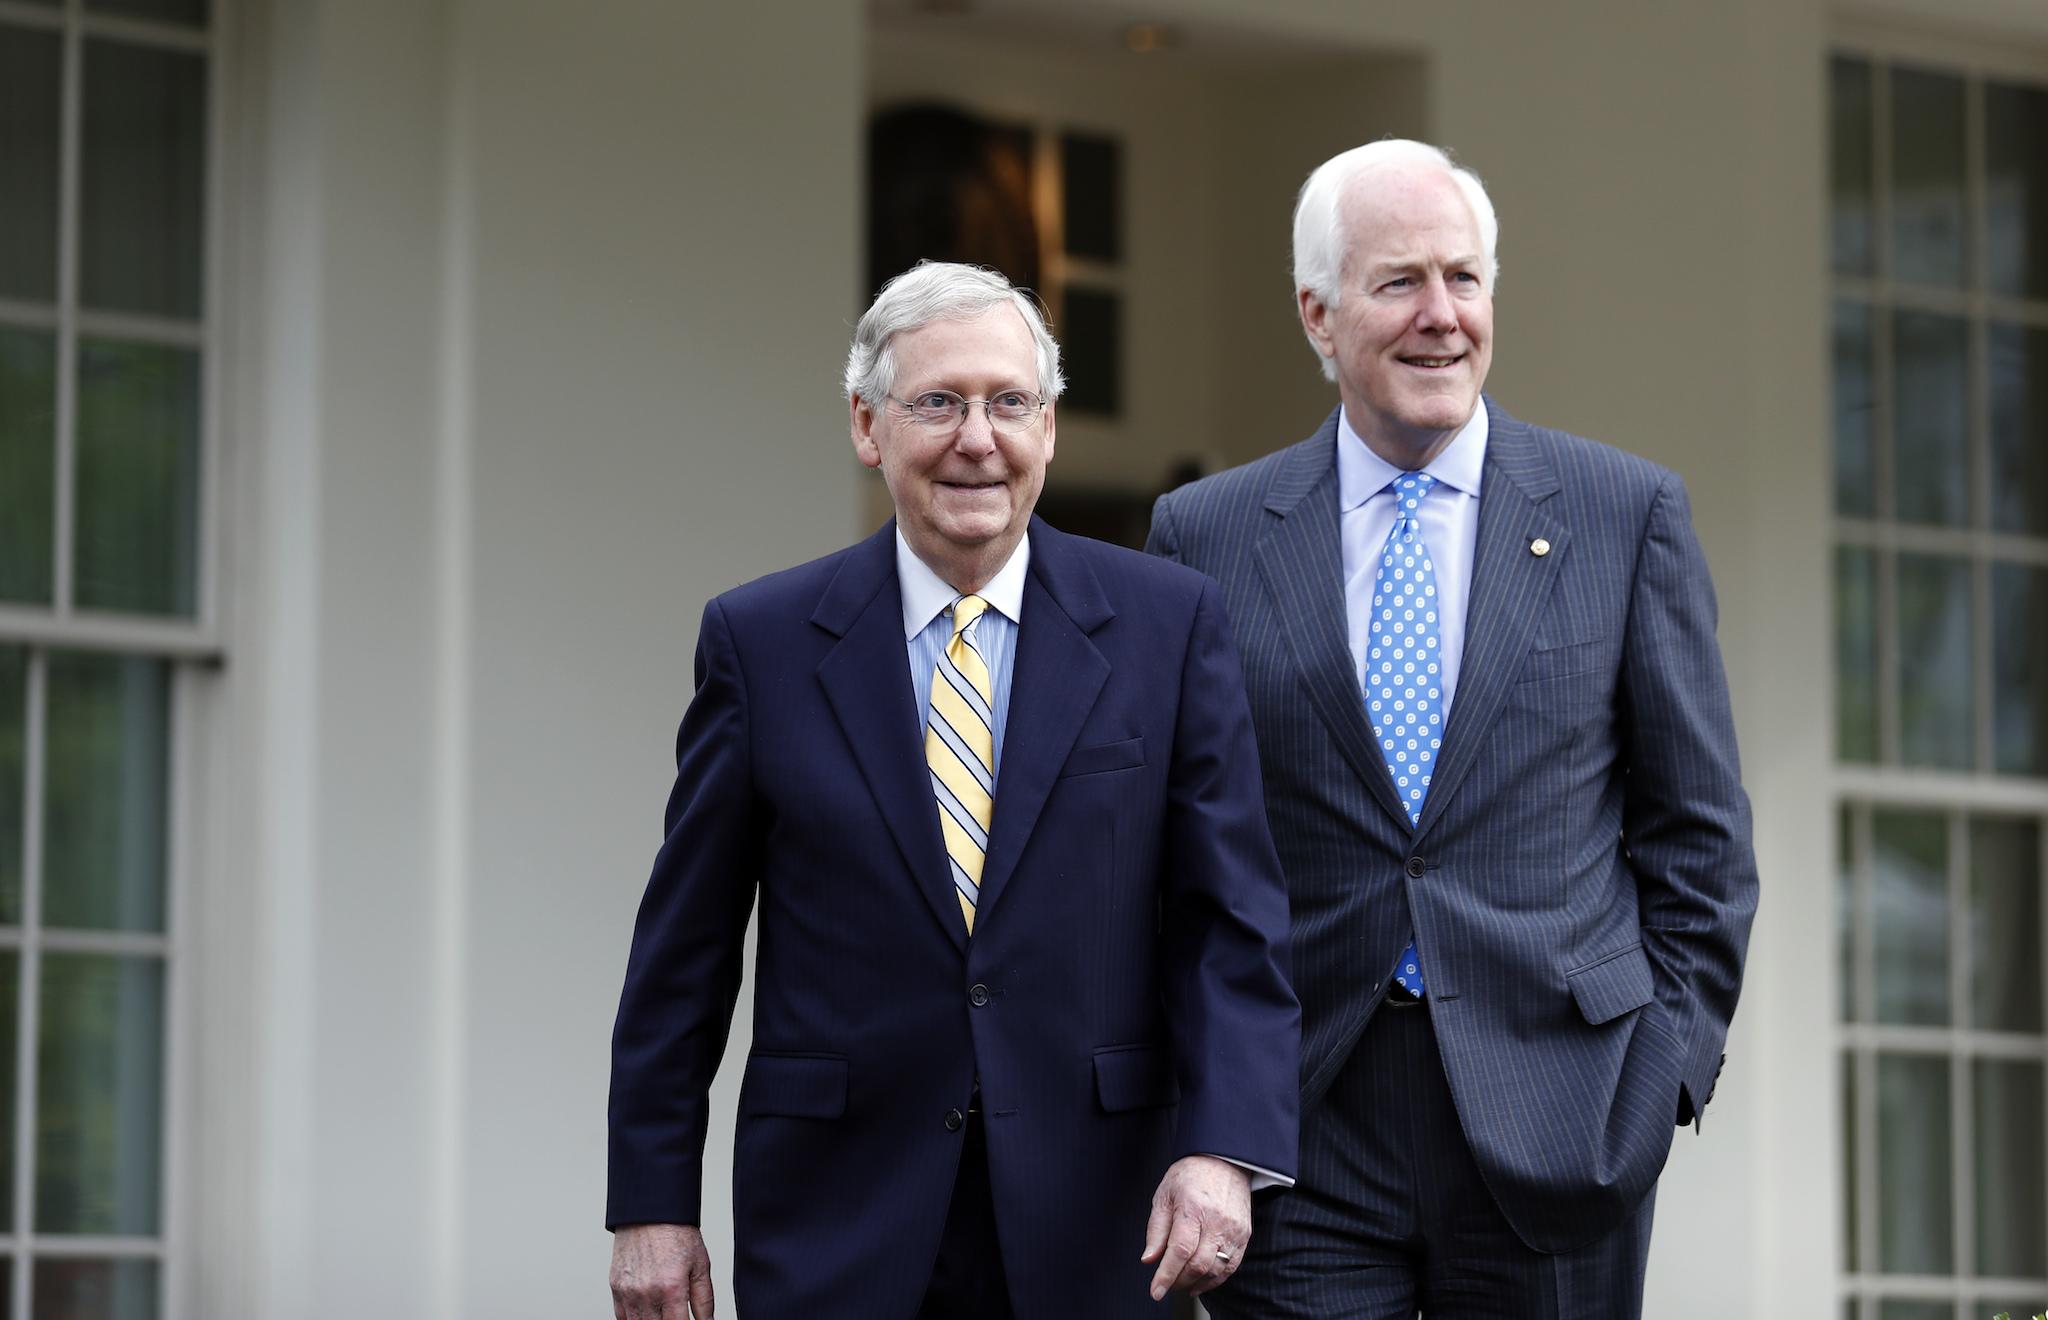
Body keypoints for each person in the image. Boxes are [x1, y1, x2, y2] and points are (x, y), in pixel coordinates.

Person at [607, 261, 1300, 1320]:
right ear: (865, 424)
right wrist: (651, 1205)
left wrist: (1224, 1148)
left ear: (1049, 428)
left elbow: (1230, 921)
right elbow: (684, 952)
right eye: (937, 402)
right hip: (840, 1216)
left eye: (1008, 402)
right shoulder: (761, 643)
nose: (977, 439)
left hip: (1098, 1213)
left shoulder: (1169, 626)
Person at [1146, 139, 1759, 1319]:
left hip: (1563, 1115)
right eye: (1398, 284)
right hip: (1299, 1126)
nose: (1440, 318)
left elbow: (1699, 839)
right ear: (1316, 315)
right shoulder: (1204, 536)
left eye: (1463, 279)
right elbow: (1174, 856)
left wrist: (1661, 1079)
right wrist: (1201, 1113)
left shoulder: (1622, 514)